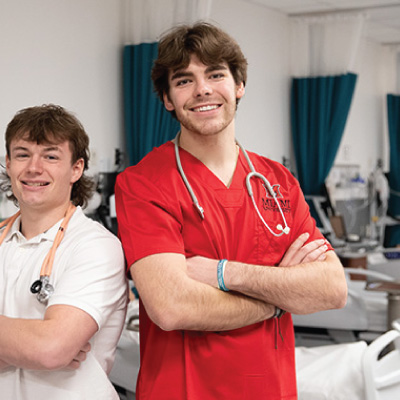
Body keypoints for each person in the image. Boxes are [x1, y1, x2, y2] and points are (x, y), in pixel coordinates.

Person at [115, 22, 348, 399]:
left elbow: (332, 289)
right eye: (184, 80)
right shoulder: (143, 184)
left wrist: (224, 273)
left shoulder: (277, 181)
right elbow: (173, 307)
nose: (203, 88)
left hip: (273, 389)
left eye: (216, 73)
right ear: (167, 99)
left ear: (239, 86)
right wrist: (279, 299)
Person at [0, 104, 128, 400]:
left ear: (76, 169)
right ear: (8, 163)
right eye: (22, 154)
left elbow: (51, 349)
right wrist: (34, 349)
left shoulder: (95, 246)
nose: (34, 167)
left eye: (51, 156)